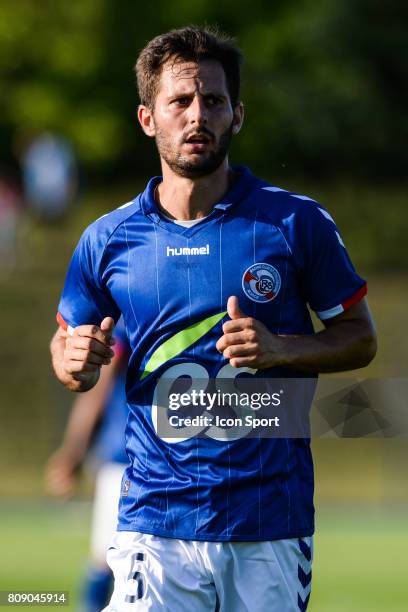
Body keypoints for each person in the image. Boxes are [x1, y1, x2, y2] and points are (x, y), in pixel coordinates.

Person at [50, 26, 377, 612]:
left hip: (269, 519)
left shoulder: (294, 224)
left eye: (214, 101)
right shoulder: (107, 239)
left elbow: (361, 339)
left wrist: (284, 349)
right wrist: (73, 360)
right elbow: (69, 350)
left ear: (237, 115)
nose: (197, 115)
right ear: (148, 118)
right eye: (180, 101)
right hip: (153, 518)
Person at [46, 319, 129, 612]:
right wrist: (74, 452)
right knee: (108, 558)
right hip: (130, 460)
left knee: (107, 560)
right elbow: (99, 385)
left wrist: (73, 452)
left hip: (131, 459)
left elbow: (97, 390)